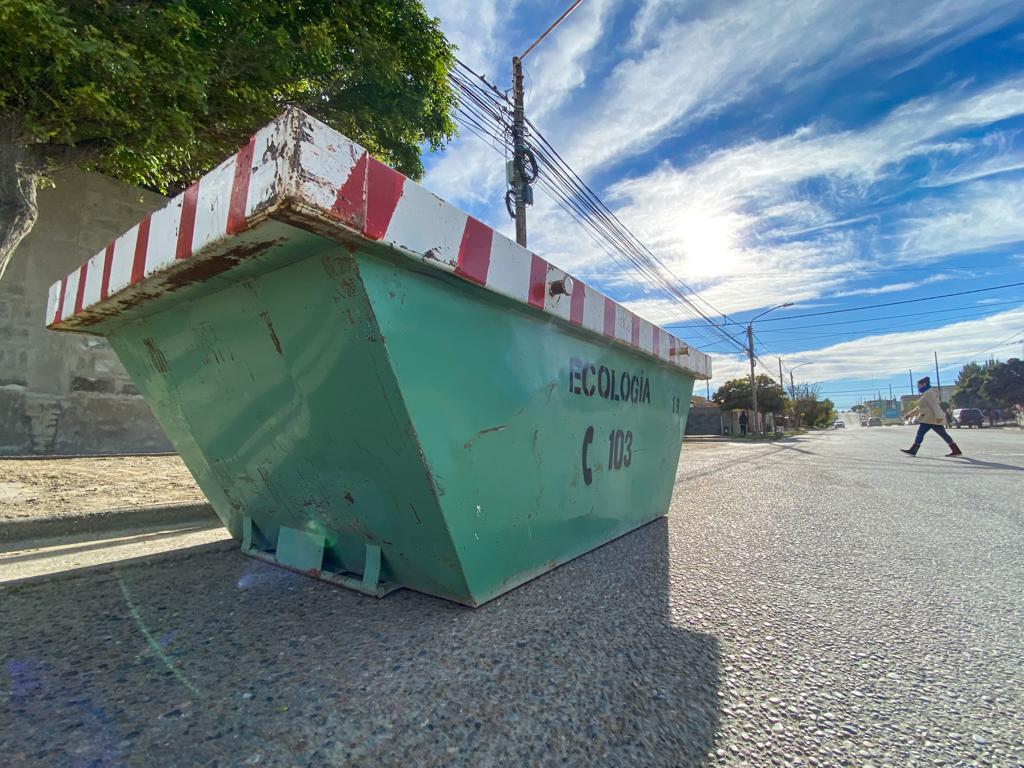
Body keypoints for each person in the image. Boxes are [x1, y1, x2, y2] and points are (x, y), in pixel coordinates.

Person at [902, 376, 962, 457]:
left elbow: (935, 406)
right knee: (943, 434)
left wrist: (939, 417)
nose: (918, 387)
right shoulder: (927, 393)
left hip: (930, 419)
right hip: (930, 418)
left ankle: (913, 450)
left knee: (920, 433)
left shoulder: (929, 393)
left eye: (918, 386)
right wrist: (909, 414)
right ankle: (956, 450)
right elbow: (920, 408)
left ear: (924, 384)